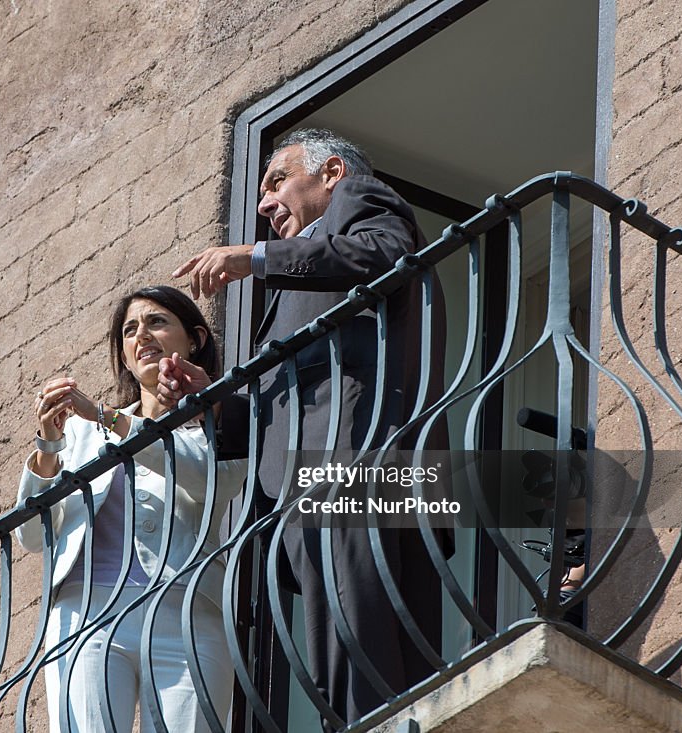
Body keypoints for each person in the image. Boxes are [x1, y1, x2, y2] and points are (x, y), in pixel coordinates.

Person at [163, 129, 449, 725]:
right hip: (308, 478)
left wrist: (254, 258)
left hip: (356, 457)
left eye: (277, 181)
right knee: (342, 643)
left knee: (361, 631)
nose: (265, 205)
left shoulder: (360, 201)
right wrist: (211, 405)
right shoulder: (300, 274)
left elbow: (384, 252)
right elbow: (275, 413)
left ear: (332, 173)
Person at [15, 285, 246, 733]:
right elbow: (31, 536)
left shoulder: (217, 423)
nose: (142, 334)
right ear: (123, 356)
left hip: (185, 612)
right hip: (86, 615)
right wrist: (47, 447)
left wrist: (106, 416)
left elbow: (206, 480)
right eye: (130, 329)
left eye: (157, 321)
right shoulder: (83, 437)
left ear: (194, 338)